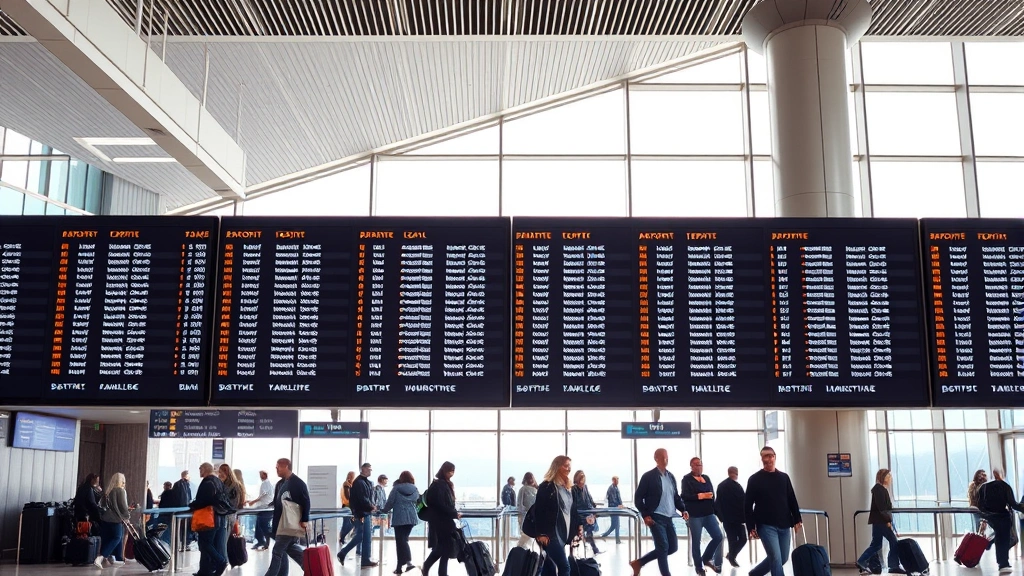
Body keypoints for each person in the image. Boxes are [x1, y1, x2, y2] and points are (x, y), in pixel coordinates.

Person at [630, 449, 688, 576]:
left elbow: (675, 497)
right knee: (662, 547)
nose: (665, 459)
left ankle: (639, 562)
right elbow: (638, 498)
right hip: (656, 517)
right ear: (656, 458)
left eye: (667, 457)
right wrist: (645, 515)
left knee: (672, 547)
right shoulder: (648, 476)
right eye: (662, 457)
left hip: (669, 517)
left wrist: (683, 509)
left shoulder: (671, 476)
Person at [744, 446, 802, 576]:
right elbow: (747, 505)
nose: (769, 459)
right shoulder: (754, 479)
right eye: (765, 456)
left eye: (771, 455)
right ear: (761, 459)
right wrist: (750, 527)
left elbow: (791, 498)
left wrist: (797, 518)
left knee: (783, 558)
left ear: (775, 457)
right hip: (765, 525)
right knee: (775, 558)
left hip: (784, 524)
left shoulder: (784, 477)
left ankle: (756, 573)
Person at [531, 456, 582, 576]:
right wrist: (541, 533)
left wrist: (579, 525)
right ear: (557, 467)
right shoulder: (547, 486)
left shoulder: (568, 488)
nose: (569, 469)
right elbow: (539, 511)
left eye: (569, 466)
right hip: (550, 534)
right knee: (565, 567)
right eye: (565, 465)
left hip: (562, 533)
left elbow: (572, 509)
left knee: (549, 567)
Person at [265, 458, 311, 576]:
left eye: (278, 467)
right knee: (291, 549)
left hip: (289, 524)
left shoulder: (297, 483)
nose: (276, 469)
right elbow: (277, 503)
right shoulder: (281, 483)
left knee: (277, 551)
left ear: (285, 466)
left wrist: (304, 520)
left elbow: (306, 501)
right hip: (282, 524)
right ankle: (310, 568)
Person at [855, 469, 903, 575]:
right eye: (888, 476)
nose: (890, 478)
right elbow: (882, 508)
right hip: (881, 521)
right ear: (883, 477)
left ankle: (862, 560)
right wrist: (888, 522)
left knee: (876, 544)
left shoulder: (881, 489)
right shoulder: (879, 490)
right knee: (893, 541)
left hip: (879, 521)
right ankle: (893, 565)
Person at [978, 468, 1024, 574]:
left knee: (998, 537)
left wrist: (985, 516)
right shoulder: (1005, 486)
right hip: (1003, 517)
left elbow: (980, 505)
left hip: (990, 517)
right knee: (1003, 540)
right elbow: (1013, 504)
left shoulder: (983, 487)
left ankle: (993, 548)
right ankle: (1003, 563)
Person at [682, 457, 723, 575]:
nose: (698, 466)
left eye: (700, 464)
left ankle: (706, 558)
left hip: (709, 513)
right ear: (691, 466)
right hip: (695, 515)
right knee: (696, 542)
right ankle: (699, 567)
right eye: (696, 464)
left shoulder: (706, 478)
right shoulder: (687, 479)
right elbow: (685, 496)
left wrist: (716, 511)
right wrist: (700, 496)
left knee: (718, 536)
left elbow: (712, 494)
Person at [191, 462, 231, 576]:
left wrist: (192, 505)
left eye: (200, 468)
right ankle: (204, 571)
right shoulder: (218, 481)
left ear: (205, 469)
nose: (199, 470)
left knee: (204, 543)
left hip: (209, 518)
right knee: (208, 545)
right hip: (218, 517)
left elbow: (203, 500)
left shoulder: (208, 482)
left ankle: (221, 561)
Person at [422, 461, 461, 576]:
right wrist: (453, 513)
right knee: (444, 547)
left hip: (442, 520)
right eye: (450, 471)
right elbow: (440, 504)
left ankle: (439, 571)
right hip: (441, 521)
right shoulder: (439, 485)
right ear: (445, 471)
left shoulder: (441, 484)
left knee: (444, 547)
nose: (452, 473)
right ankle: (431, 567)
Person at [339, 462, 379, 567]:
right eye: (369, 469)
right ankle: (345, 553)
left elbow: (367, 498)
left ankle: (364, 559)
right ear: (363, 469)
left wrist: (371, 506)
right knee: (363, 536)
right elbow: (362, 499)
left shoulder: (364, 482)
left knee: (363, 536)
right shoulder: (360, 483)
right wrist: (371, 507)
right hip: (361, 513)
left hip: (364, 512)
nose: (370, 471)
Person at [381, 470, 421, 575]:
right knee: (402, 541)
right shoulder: (415, 489)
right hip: (411, 518)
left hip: (399, 518)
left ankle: (408, 562)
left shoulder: (396, 488)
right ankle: (399, 567)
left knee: (401, 541)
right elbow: (418, 501)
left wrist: (384, 510)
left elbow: (390, 502)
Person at [95, 472, 131, 568]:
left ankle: (116, 558)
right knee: (117, 537)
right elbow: (123, 506)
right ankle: (101, 557)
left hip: (105, 518)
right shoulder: (121, 491)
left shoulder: (108, 491)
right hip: (115, 519)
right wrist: (127, 517)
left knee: (108, 538)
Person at [714, 467, 746, 567]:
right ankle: (731, 556)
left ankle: (731, 556)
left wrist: (721, 517)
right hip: (738, 519)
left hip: (727, 519)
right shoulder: (738, 487)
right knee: (742, 539)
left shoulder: (721, 486)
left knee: (732, 540)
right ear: (736, 473)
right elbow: (743, 503)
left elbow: (717, 503)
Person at [572, 470, 602, 554]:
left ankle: (593, 547)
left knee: (590, 527)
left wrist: (594, 509)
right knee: (586, 528)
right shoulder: (574, 489)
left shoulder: (585, 487)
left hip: (588, 512)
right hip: (580, 513)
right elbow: (574, 504)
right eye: (581, 478)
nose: (583, 480)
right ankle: (592, 548)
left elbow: (589, 499)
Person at [248, 470, 275, 551]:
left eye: (261, 475)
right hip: (264, 508)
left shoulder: (265, 483)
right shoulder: (267, 483)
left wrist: (254, 501)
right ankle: (261, 541)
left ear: (265, 475)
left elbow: (264, 494)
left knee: (263, 526)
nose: (260, 477)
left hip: (265, 508)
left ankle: (265, 541)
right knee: (259, 525)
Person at [516, 472, 539, 548]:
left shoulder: (537, 489)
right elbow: (520, 503)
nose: (531, 480)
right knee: (526, 537)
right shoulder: (523, 489)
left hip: (535, 516)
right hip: (526, 517)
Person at [600, 476, 623, 544]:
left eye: (618, 480)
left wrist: (621, 504)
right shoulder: (612, 488)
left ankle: (607, 536)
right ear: (613, 480)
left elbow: (618, 498)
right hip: (614, 509)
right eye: (616, 480)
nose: (617, 481)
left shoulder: (615, 487)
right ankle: (615, 539)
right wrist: (619, 505)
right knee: (616, 525)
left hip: (615, 509)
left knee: (615, 525)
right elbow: (613, 500)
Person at [339, 471, 356, 546]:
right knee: (347, 523)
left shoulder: (350, 484)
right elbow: (347, 496)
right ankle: (342, 537)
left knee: (350, 523)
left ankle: (342, 537)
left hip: (349, 506)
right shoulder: (346, 484)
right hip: (347, 506)